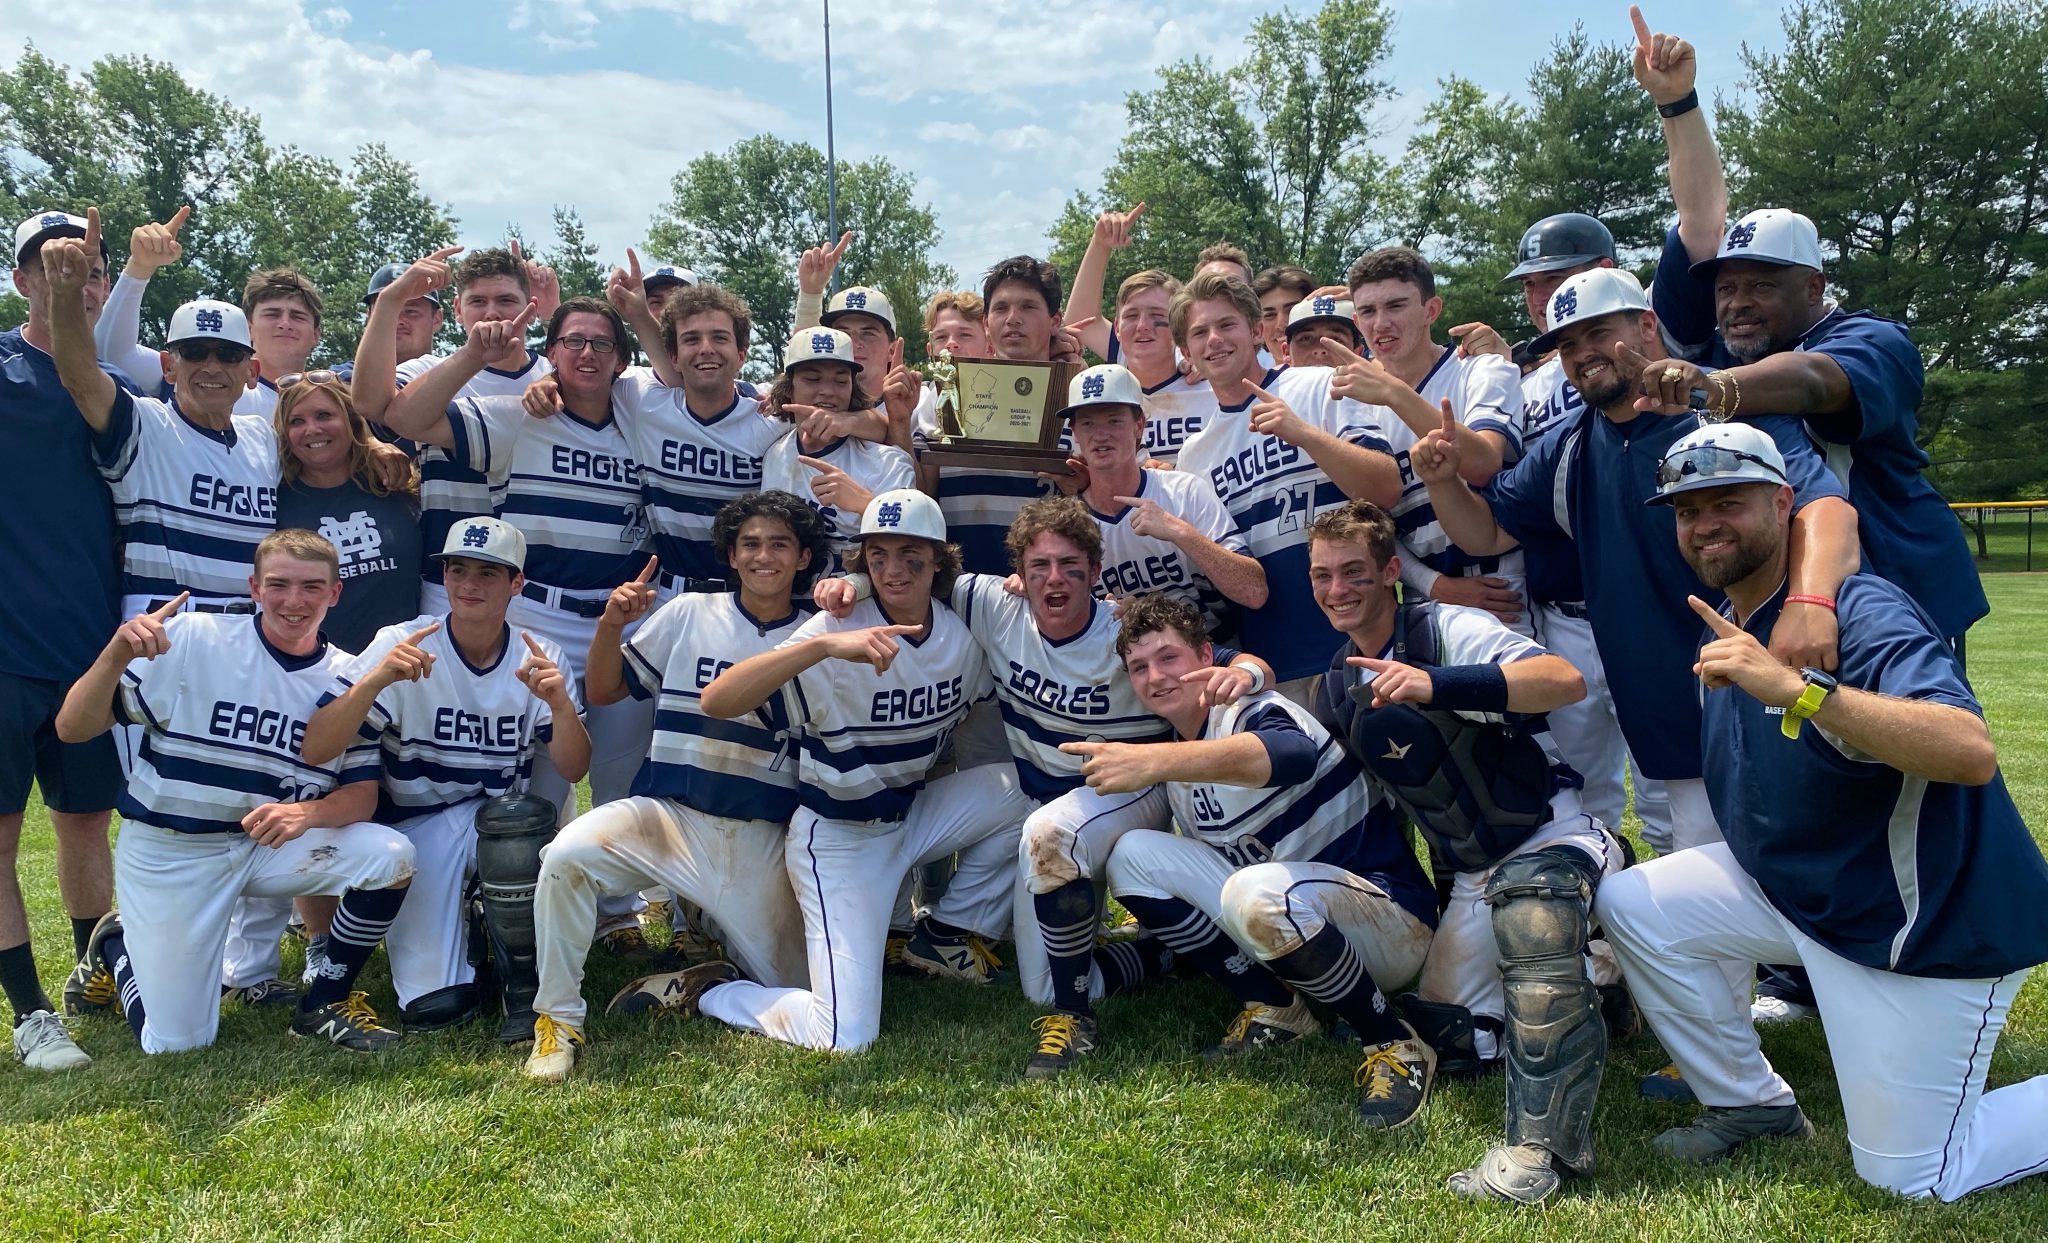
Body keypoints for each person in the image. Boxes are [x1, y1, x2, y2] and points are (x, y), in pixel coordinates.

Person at [1408, 265, 1860, 1097]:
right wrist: (1440, 477)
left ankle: (1826, 1017)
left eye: (1600, 333)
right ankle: (1718, 1053)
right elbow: (1488, 523)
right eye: (1568, 343)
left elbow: (1825, 508)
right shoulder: (1573, 441)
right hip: (1661, 694)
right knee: (1700, 865)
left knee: (1775, 864)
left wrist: (1810, 599)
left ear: (1648, 327)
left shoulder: (1711, 404)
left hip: (1750, 688)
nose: (1585, 355)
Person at [1595, 422, 2048, 1202]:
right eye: (1686, 508)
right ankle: (1750, 1105)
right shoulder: (1731, 616)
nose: (1704, 524)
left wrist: (1800, 690)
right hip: (1816, 901)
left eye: (1726, 501)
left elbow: (1969, 748)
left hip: (1921, 927)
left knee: (1916, 1177)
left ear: (1782, 503)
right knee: (1634, 900)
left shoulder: (1858, 608)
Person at [1305, 501, 1627, 1203]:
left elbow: (1562, 681)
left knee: (1534, 928)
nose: (1337, 589)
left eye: (1354, 571)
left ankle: (1543, 1152)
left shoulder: (1443, 627)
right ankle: (1602, 974)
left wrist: (1434, 683)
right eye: (1322, 575)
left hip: (1552, 832)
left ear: (1391, 571)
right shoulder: (1337, 681)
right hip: (1478, 873)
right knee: (1456, 1036)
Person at [671, 490, 1035, 1052]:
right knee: (844, 1035)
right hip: (839, 841)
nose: (893, 569)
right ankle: (715, 991)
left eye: (911, 554)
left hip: (911, 817)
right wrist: (821, 646)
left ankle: (947, 933)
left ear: (939, 560)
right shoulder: (834, 630)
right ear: (863, 558)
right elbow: (717, 701)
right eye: (879, 555)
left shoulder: (962, 636)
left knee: (1034, 794)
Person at [53, 530, 416, 1054]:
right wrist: (114, 656)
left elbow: (360, 795)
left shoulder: (347, 675)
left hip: (265, 848)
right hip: (173, 849)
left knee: (391, 856)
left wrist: (309, 813)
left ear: (335, 593)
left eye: (312, 587)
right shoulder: (197, 638)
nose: (295, 601)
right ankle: (115, 945)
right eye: (279, 585)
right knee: (176, 1043)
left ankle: (325, 999)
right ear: (254, 587)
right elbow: (72, 728)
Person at [1060, 595, 1436, 1101]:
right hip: (1299, 917)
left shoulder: (1252, 709)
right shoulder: (1182, 768)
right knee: (1132, 857)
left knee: (1254, 891)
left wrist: (1155, 761)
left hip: (1389, 923)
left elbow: (1292, 756)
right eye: (1139, 667)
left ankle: (1393, 1042)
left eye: (1169, 658)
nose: (1156, 677)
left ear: (1205, 656)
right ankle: (1277, 1008)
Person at [522, 490, 830, 1081]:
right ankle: (557, 1019)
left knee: (803, 992)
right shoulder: (692, 612)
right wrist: (612, 623)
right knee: (565, 856)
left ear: (803, 558)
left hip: (763, 834)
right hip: (670, 815)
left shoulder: (822, 633)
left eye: (780, 545)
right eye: (751, 545)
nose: (764, 557)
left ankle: (704, 978)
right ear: (732, 556)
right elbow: (609, 690)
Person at [302, 518, 590, 1034]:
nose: (469, 584)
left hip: (501, 825)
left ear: (516, 584)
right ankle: (476, 942)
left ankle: (524, 989)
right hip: (416, 827)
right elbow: (317, 744)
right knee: (435, 1005)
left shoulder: (538, 653)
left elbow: (574, 768)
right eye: (458, 570)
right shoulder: (401, 641)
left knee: (516, 832)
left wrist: (562, 707)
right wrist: (375, 680)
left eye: (488, 573)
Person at [3, 209, 123, 1071]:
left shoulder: (118, 385)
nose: (71, 280)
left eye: (85, 268)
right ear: (20, 281)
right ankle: (30, 1012)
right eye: (50, 266)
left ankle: (93, 975)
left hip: (90, 648)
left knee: (85, 823)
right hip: (4, 648)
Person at [1171, 271, 1404, 702]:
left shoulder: (1317, 385)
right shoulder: (1194, 456)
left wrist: (1305, 435)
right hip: (1273, 662)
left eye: (1227, 325)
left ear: (1257, 331)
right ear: (1186, 351)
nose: (1214, 340)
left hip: (1367, 645)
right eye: (1200, 333)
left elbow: (1387, 487)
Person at [1341, 246, 1532, 635]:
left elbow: (1484, 462)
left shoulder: (1481, 370)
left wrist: (1394, 393)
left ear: (1432, 310)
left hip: (1499, 585)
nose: (1381, 324)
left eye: (1396, 306)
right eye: (1367, 312)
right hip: (1421, 595)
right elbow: (1372, 526)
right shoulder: (1352, 402)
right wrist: (1435, 586)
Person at [354, 246, 550, 614]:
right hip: (449, 580)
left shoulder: (553, 377)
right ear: (458, 309)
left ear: (532, 307)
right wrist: (390, 300)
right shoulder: (434, 369)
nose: (492, 313)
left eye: (506, 300)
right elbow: (368, 403)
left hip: (533, 586)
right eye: (478, 301)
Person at [1062, 363, 1265, 635]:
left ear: (1139, 426)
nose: (1101, 435)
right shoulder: (1069, 525)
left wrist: (1180, 532)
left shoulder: (1184, 492)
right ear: (1074, 432)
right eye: (1088, 423)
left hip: (1214, 652)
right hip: (1121, 664)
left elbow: (1254, 591)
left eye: (1114, 420)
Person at [273, 373, 423, 653]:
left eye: (324, 415)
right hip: (317, 672)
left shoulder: (397, 482)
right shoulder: (273, 503)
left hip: (405, 668)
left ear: (351, 422)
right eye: (297, 421)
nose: (312, 429)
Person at [760, 328, 914, 576]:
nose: (828, 391)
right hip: (787, 607)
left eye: (840, 381)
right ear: (788, 388)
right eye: (812, 379)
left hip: (861, 608)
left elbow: (914, 547)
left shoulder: (887, 461)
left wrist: (866, 505)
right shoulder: (774, 453)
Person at [1253, 264, 1315, 364]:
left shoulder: (1341, 376)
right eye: (1269, 315)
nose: (1281, 325)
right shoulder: (1248, 379)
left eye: (1292, 310)